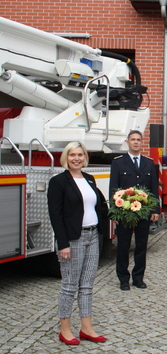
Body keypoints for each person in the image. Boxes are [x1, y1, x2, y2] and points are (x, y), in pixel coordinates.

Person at [47, 141, 108, 345]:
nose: (76, 158)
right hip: (73, 239)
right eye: (72, 155)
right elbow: (55, 215)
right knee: (69, 286)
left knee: (87, 286)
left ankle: (86, 328)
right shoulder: (58, 182)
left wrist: (122, 208)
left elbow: (100, 207)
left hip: (93, 237)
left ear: (85, 157)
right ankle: (65, 329)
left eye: (80, 155)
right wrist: (62, 244)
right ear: (66, 157)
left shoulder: (90, 179)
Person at [110, 130, 159, 291]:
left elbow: (153, 189)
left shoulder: (149, 163)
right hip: (125, 212)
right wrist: (114, 211)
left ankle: (138, 278)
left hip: (143, 212)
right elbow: (114, 188)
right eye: (133, 140)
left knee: (141, 246)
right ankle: (123, 278)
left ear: (141, 142)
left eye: (138, 140)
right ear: (127, 142)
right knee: (123, 246)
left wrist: (155, 210)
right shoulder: (118, 163)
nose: (136, 142)